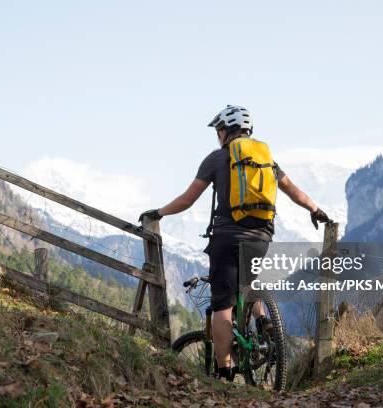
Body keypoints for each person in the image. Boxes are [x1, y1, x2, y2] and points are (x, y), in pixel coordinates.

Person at [139, 105, 332, 380]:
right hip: (261, 236)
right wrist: (315, 209)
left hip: (226, 238)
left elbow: (188, 199)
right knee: (247, 283)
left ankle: (224, 370)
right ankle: (263, 320)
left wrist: (158, 212)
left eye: (218, 131)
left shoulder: (217, 159)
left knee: (222, 306)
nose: (217, 136)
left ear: (225, 131)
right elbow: (293, 190)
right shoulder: (266, 160)